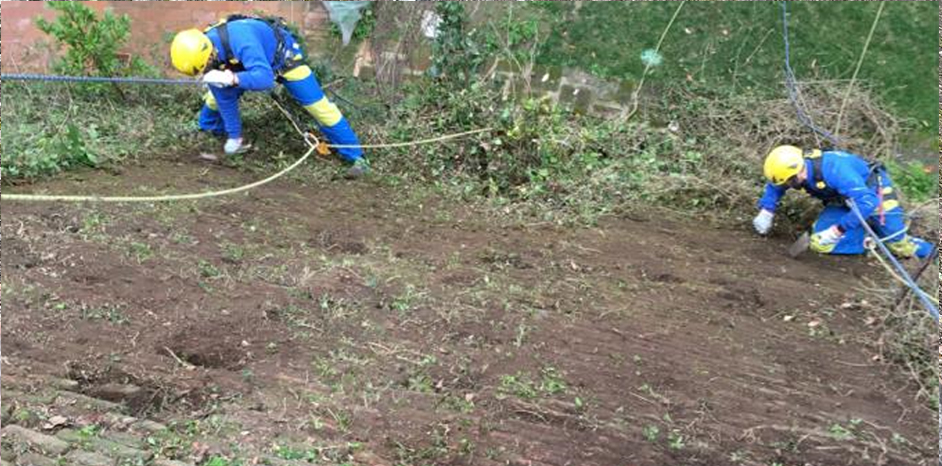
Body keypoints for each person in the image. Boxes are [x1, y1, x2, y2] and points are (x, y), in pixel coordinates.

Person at [170, 16, 369, 178]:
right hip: (244, 65)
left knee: (320, 107)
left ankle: (356, 157)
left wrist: (231, 77)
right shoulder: (211, 58)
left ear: (210, 54)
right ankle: (209, 128)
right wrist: (234, 136)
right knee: (214, 97)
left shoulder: (242, 39)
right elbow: (225, 99)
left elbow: (264, 79)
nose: (206, 71)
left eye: (205, 67)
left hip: (284, 59)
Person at [753, 145, 933, 259]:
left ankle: (933, 254)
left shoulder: (835, 171)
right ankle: (868, 240)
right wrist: (767, 210)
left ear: (798, 171)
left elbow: (867, 202)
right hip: (844, 200)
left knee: (901, 246)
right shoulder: (799, 169)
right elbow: (776, 186)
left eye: (789, 182)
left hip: (874, 194)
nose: (788, 186)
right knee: (820, 243)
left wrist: (837, 230)